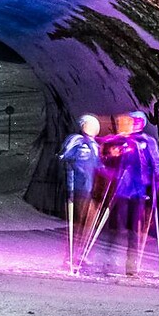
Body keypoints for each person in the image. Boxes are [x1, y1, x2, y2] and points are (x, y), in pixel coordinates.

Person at [105, 111, 159, 276]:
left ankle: (131, 265)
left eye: (136, 121)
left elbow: (157, 163)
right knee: (114, 226)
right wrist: (113, 158)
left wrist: (155, 179)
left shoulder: (147, 142)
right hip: (122, 190)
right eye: (132, 121)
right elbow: (111, 160)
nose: (133, 124)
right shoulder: (123, 140)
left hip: (138, 191)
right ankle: (108, 259)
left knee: (133, 230)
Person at [59, 114, 103, 270]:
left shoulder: (94, 145)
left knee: (89, 219)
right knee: (79, 222)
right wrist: (71, 161)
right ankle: (71, 256)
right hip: (76, 186)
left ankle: (80, 253)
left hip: (88, 187)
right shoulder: (76, 140)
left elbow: (98, 165)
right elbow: (64, 156)